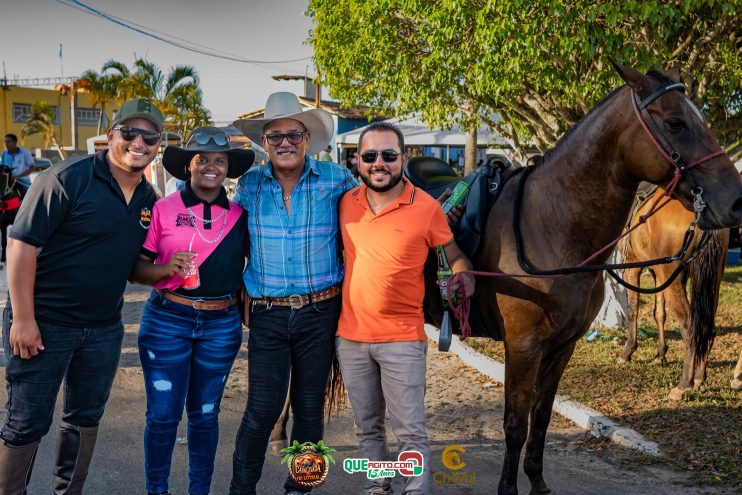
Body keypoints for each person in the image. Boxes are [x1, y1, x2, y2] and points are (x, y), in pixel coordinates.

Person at [0, 99, 163, 494]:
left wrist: (164, 270)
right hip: (44, 323)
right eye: (129, 132)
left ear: (159, 144)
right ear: (111, 136)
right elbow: (21, 246)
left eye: (149, 136)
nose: (138, 142)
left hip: (104, 329)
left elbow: (133, 268)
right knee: (25, 421)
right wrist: (23, 318)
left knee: (85, 418)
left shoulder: (149, 200)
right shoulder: (65, 179)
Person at [336, 121, 475, 495]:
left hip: (402, 339)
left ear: (403, 158)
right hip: (350, 338)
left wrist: (464, 275)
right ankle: (378, 485)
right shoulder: (346, 203)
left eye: (388, 155)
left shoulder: (426, 208)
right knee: (366, 425)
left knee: (409, 430)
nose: (379, 163)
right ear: (358, 161)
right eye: (370, 156)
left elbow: (454, 254)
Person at [229, 91, 356, 495]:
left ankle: (302, 487)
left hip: (321, 311)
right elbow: (232, 245)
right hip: (267, 314)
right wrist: (237, 292)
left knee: (309, 410)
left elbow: (371, 219)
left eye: (293, 134)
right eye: (275, 136)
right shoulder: (248, 185)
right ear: (264, 143)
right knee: (261, 410)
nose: (285, 142)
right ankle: (241, 489)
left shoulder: (337, 179)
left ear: (307, 139)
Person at [130, 126, 254, 495]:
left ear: (229, 169)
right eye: (203, 160)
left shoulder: (240, 215)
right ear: (188, 166)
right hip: (168, 319)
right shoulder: (161, 209)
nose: (211, 167)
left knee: (204, 416)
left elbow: (253, 264)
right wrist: (166, 269)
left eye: (220, 161)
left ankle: (199, 490)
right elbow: (136, 268)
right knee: (164, 416)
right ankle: (157, 490)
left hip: (221, 324)